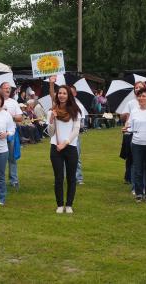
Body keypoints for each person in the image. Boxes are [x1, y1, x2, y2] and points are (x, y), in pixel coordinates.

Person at [47, 79, 81, 214]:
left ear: (69, 96)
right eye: (59, 93)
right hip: (55, 148)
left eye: (64, 93)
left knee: (71, 178)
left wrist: (65, 143)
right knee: (58, 177)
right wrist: (51, 121)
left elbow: (76, 130)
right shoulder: (52, 112)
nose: (61, 95)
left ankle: (69, 204)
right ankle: (60, 204)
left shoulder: (75, 111)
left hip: (70, 147)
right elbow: (50, 133)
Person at [122, 87, 146, 203]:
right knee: (137, 170)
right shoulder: (134, 111)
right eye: (139, 96)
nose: (141, 98)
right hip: (137, 144)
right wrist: (126, 129)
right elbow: (131, 128)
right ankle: (139, 193)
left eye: (144, 96)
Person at [0, 82, 23, 189]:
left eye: (9, 88)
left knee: (12, 158)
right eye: (5, 88)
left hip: (11, 134)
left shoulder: (14, 102)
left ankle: (14, 180)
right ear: (1, 89)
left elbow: (20, 118)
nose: (7, 90)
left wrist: (10, 115)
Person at [70, 86, 85, 185]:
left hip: (75, 135)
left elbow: (82, 123)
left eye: (72, 92)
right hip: (63, 136)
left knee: (76, 157)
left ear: (75, 94)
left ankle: (78, 178)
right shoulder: (61, 105)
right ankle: (63, 177)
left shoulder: (79, 105)